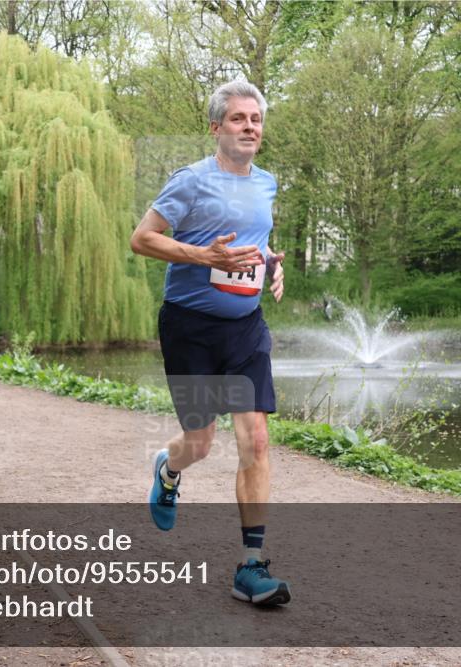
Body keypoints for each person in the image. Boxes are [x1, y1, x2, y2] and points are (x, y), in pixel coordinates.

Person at [129, 80, 289, 606]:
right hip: (190, 327)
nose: (250, 127)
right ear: (216, 127)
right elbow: (142, 238)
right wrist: (205, 258)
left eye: (256, 119)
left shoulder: (266, 183)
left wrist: (270, 265)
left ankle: (252, 565)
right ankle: (168, 469)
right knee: (199, 443)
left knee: (256, 441)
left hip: (245, 329)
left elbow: (255, 241)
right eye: (239, 119)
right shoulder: (191, 181)